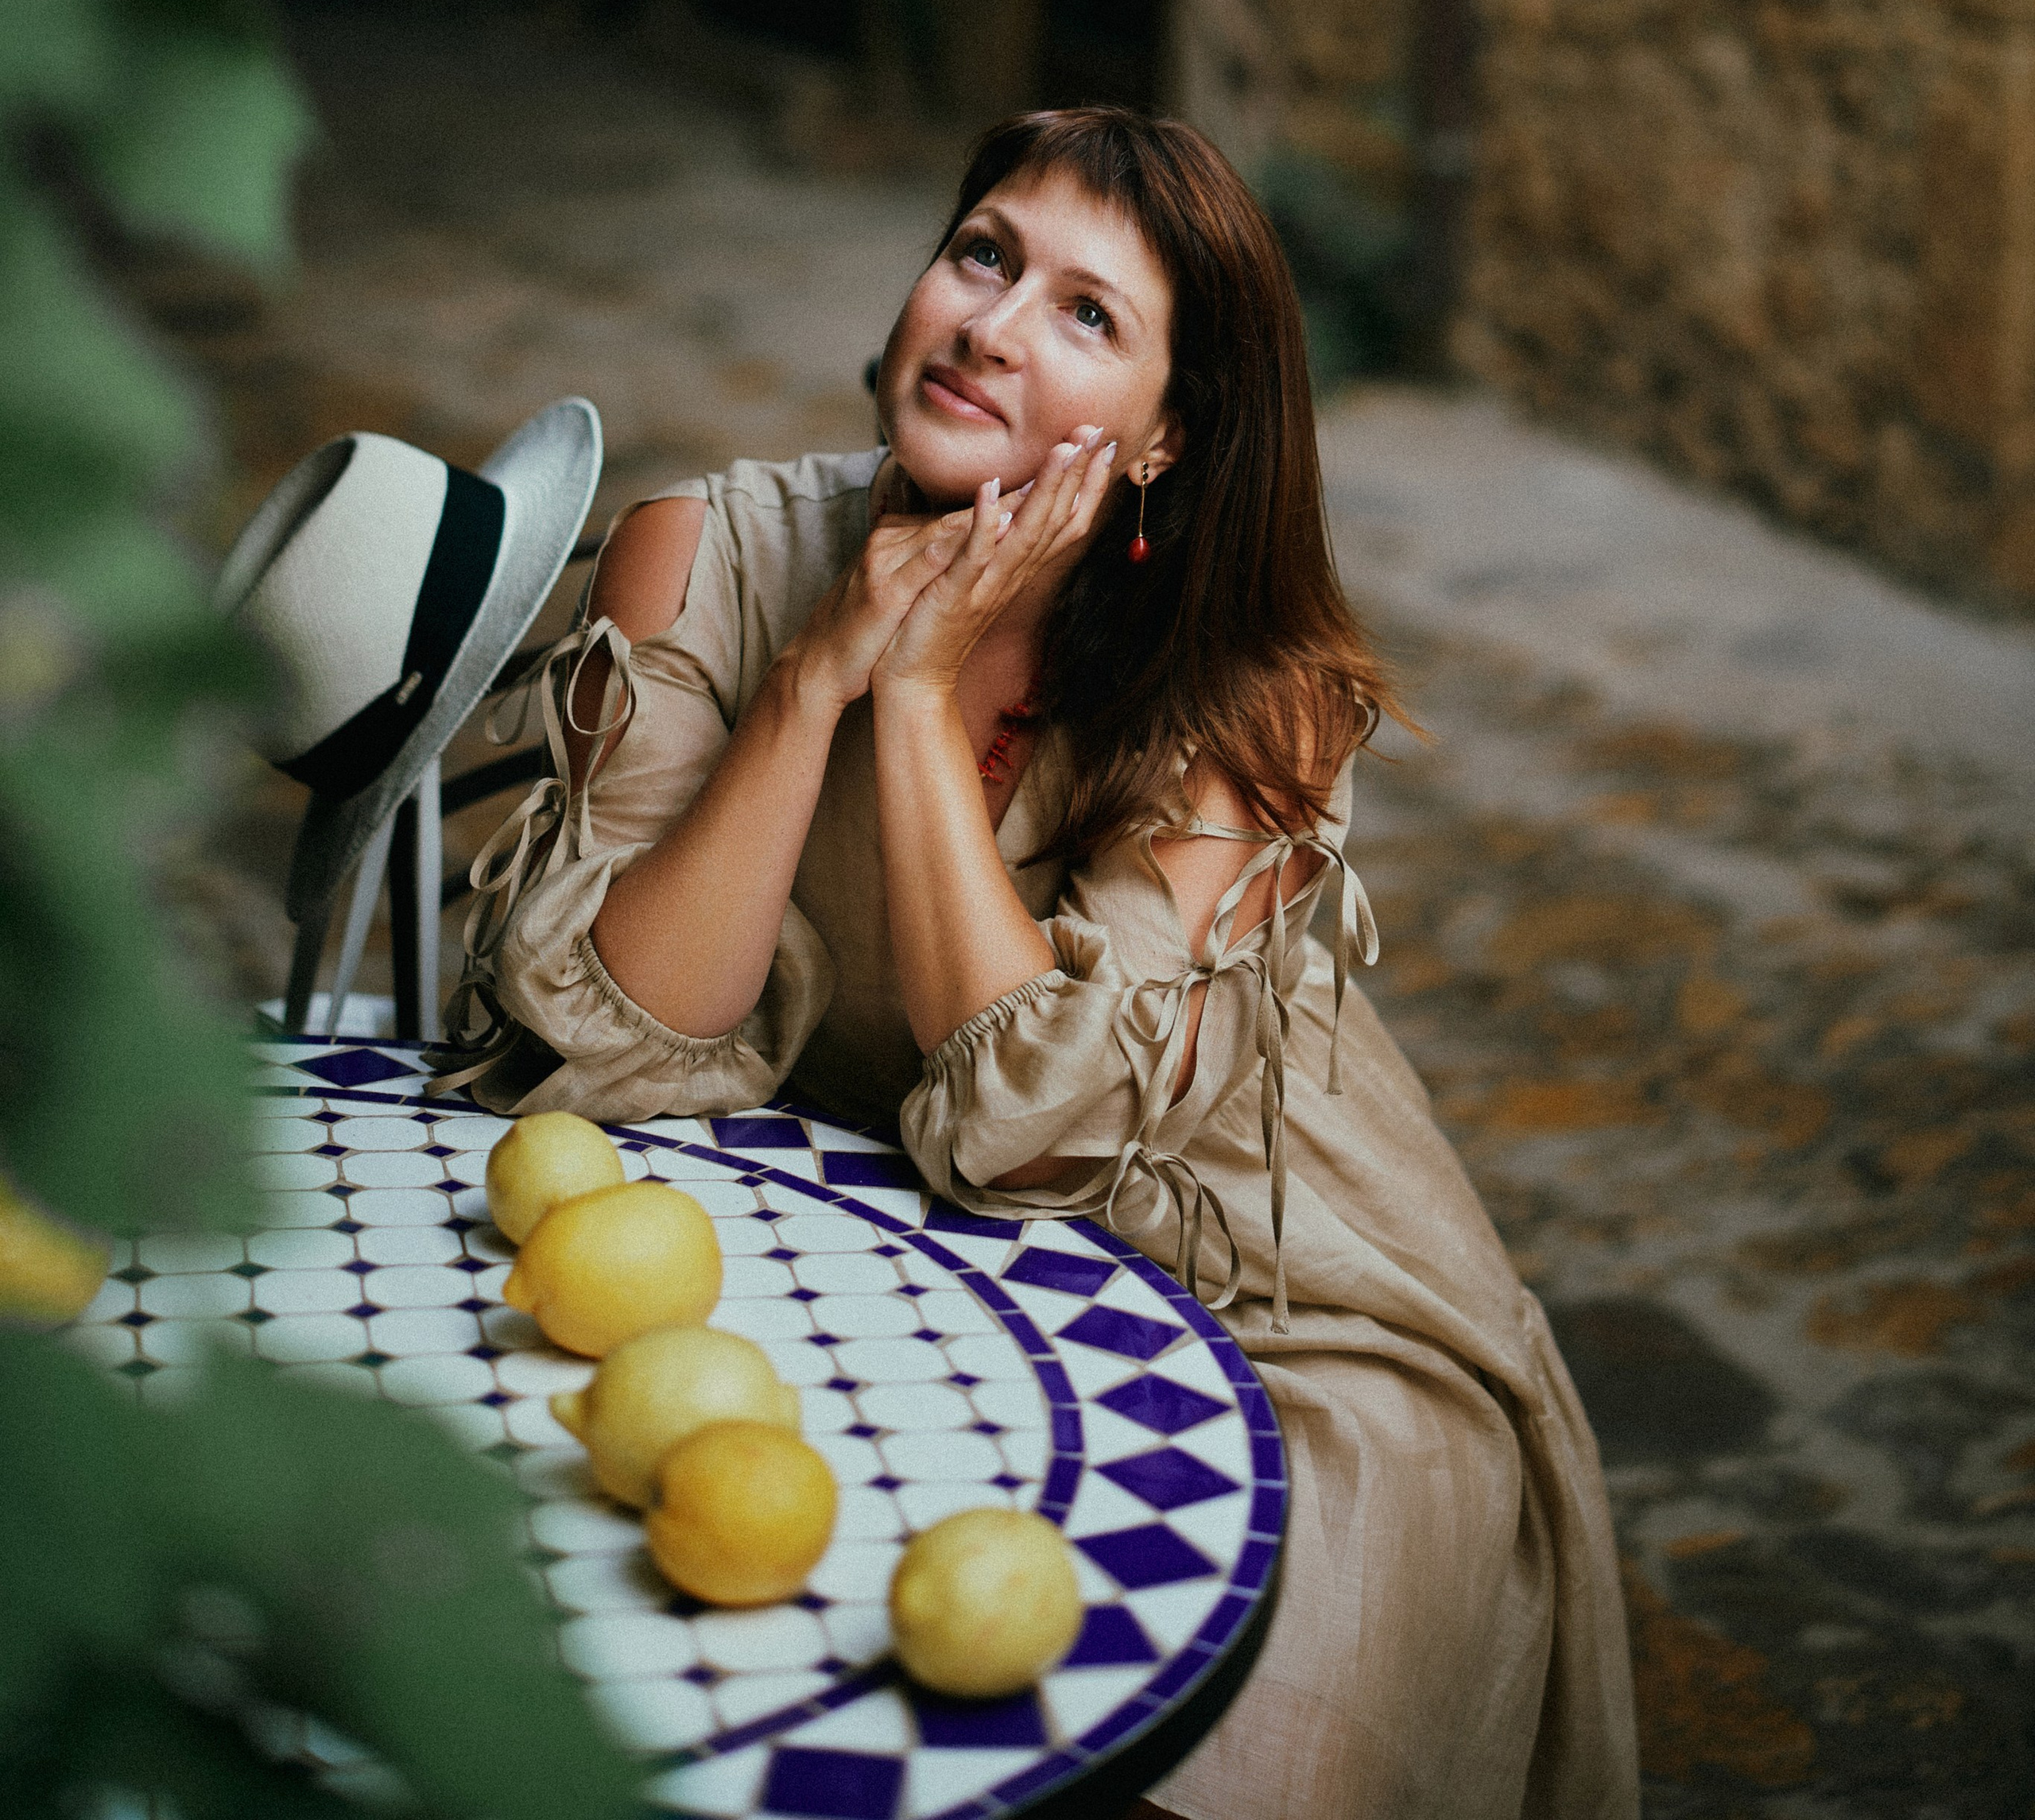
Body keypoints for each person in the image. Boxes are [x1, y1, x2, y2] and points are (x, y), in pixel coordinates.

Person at [446, 109, 1639, 1820]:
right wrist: (814, 684)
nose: (993, 325)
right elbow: (617, 1053)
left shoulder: (1250, 689)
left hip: (1273, 1322)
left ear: (1164, 438)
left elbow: (1044, 1143)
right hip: (900, 1263)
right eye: (984, 255)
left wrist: (920, 700)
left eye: (1090, 316)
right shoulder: (702, 554)